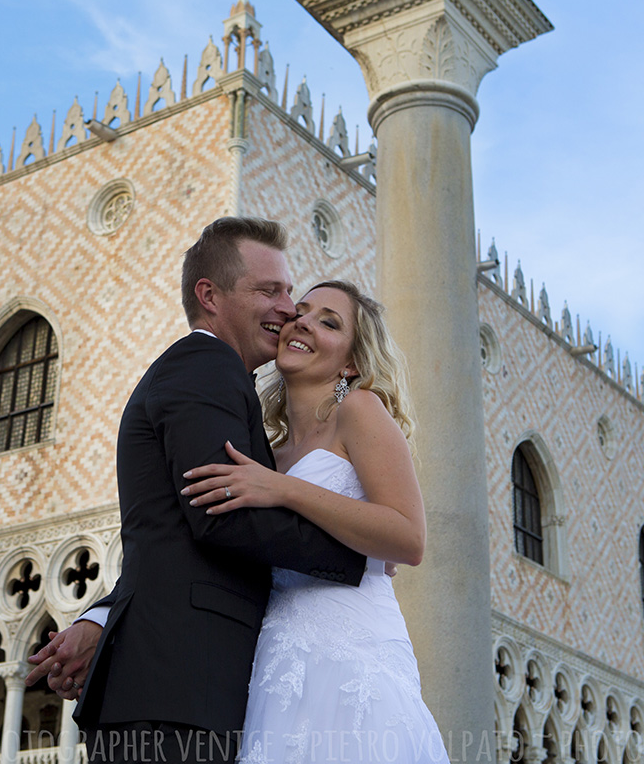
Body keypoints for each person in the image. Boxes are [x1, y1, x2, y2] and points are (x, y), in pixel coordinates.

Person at [25, 217, 367, 763]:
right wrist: (356, 556)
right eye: (268, 290)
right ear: (209, 295)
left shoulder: (217, 376)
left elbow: (172, 532)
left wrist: (101, 617)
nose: (288, 308)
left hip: (179, 687)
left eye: (288, 291)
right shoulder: (206, 365)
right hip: (178, 692)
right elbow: (219, 514)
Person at [182, 280, 448, 763]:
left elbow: (409, 539)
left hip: (353, 651)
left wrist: (282, 489)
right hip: (278, 659)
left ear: (350, 362)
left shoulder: (359, 409)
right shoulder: (268, 450)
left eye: (329, 322)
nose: (303, 321)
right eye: (300, 312)